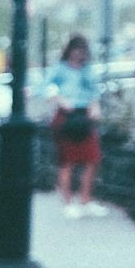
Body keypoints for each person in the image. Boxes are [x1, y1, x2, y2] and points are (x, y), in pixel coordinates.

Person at [46, 35, 105, 220]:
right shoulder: (60, 70)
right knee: (68, 161)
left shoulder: (88, 70)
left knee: (92, 159)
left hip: (84, 115)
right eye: (76, 49)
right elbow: (46, 86)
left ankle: (86, 200)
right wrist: (59, 99)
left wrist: (95, 107)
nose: (79, 53)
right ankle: (68, 202)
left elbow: (94, 91)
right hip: (67, 116)